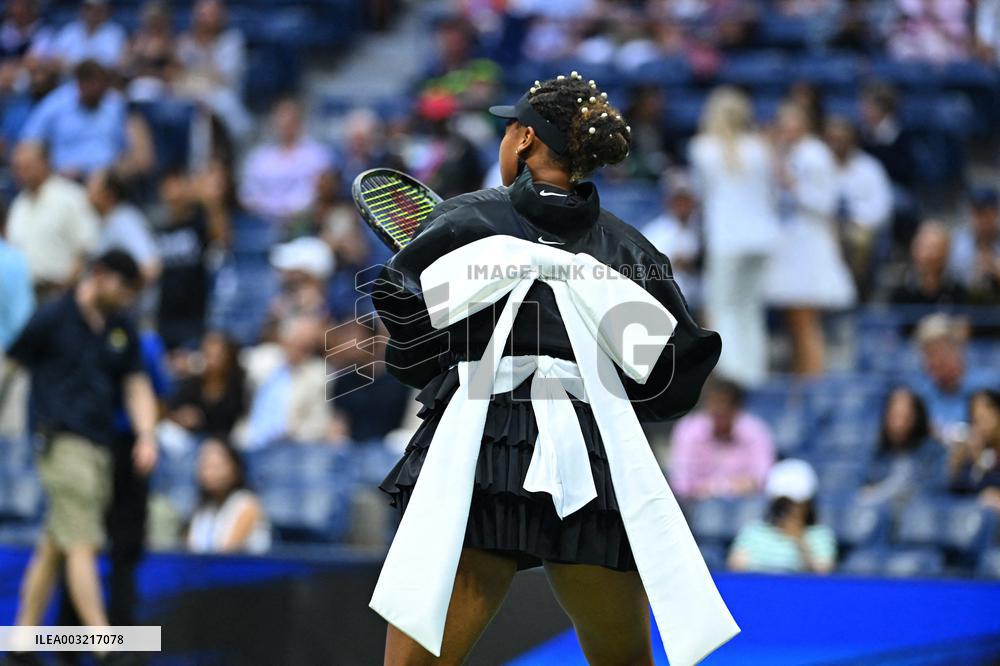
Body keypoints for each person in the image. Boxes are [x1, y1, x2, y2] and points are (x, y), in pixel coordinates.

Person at [373, 75, 736, 665]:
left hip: (484, 448)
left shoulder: (466, 220)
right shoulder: (633, 251)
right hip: (592, 456)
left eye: (507, 128)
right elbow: (676, 374)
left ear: (523, 140)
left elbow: (406, 320)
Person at [4, 251, 158, 645]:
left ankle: (22, 640)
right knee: (84, 540)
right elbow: (10, 365)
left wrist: (146, 434)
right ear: (101, 275)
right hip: (59, 442)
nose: (128, 299)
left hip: (101, 447)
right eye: (125, 289)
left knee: (57, 541)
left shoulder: (120, 326)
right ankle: (103, 643)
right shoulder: (53, 316)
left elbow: (136, 384)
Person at [688, 86, 780, 388]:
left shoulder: (702, 148)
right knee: (750, 309)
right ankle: (754, 375)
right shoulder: (760, 147)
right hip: (763, 238)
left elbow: (700, 196)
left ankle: (731, 379)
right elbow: (772, 194)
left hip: (727, 239)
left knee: (723, 308)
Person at [766, 101, 856, 376]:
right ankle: (801, 378)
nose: (786, 130)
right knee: (795, 321)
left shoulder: (815, 154)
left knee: (806, 320)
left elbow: (825, 202)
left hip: (809, 243)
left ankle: (813, 381)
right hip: (792, 242)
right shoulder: (789, 153)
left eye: (791, 123)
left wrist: (792, 185)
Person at [6, 141, 100, 299]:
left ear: (45, 163)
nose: (20, 173)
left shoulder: (71, 197)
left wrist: (65, 291)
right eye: (17, 167)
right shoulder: (18, 205)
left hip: (61, 292)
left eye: (27, 166)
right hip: (24, 294)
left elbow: (86, 249)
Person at [153, 166, 228, 351]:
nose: (173, 194)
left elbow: (223, 239)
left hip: (195, 316)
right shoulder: (159, 227)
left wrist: (211, 202)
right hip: (165, 316)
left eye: (177, 186)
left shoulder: (199, 223)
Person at [668, 378, 775, 501]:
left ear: (737, 408)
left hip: (744, 502)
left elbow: (763, 477)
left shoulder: (756, 430)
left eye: (724, 405)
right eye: (714, 404)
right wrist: (709, 490)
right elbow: (680, 481)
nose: (718, 410)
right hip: (697, 502)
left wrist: (726, 488)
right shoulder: (689, 429)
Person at [18, 59, 127, 178]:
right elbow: (29, 140)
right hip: (64, 177)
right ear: (79, 84)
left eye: (100, 83)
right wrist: (47, 171)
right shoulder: (56, 103)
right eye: (89, 83)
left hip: (109, 178)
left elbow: (131, 147)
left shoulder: (115, 104)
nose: (95, 88)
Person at [727, 459, 836, 574]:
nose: (789, 510)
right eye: (783, 504)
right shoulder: (753, 532)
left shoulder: (821, 535)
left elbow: (823, 574)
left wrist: (800, 541)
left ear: (808, 504)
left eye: (796, 503)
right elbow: (735, 569)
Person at [825, 115, 892, 296]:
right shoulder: (819, 165)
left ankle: (855, 292)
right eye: (833, 139)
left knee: (858, 239)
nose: (837, 143)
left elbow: (882, 208)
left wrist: (855, 220)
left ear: (852, 140)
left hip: (858, 227)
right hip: (825, 227)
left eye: (842, 139)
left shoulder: (870, 168)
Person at [238, 98, 332, 225]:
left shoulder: (317, 155)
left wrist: (297, 212)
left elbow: (322, 193)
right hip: (263, 221)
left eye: (290, 120)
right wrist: (272, 212)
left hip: (305, 220)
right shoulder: (258, 158)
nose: (285, 125)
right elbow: (247, 195)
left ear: (299, 122)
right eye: (281, 120)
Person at [243, 315, 330, 450]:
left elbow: (318, 423)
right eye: (296, 340)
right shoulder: (262, 358)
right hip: (248, 438)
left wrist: (293, 434)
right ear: (284, 340)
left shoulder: (319, 374)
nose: (300, 346)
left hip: (288, 446)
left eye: (306, 345)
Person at [911, 314, 998, 438]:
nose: (935, 362)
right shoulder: (919, 395)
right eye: (928, 355)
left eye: (940, 352)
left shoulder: (989, 385)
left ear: (957, 350)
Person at [859, 388, 946, 506]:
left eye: (905, 416)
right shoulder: (879, 452)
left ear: (916, 417)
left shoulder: (933, 451)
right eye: (894, 416)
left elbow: (936, 489)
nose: (899, 423)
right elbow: (865, 487)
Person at [186, 438, 270, 553]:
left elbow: (225, 553)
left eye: (216, 466)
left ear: (235, 467)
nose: (210, 472)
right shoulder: (203, 507)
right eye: (204, 465)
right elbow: (191, 550)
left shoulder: (246, 504)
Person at [642, 172, 702, 312]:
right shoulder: (656, 231)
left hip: (697, 302)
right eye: (678, 201)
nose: (683, 206)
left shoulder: (700, 230)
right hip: (666, 304)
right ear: (669, 202)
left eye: (686, 201)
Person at [167, 330, 246, 438]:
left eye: (216, 357)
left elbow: (238, 420)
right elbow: (170, 410)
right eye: (207, 355)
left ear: (228, 358)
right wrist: (182, 417)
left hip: (225, 440)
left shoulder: (237, 386)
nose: (211, 362)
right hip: (193, 437)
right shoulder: (194, 382)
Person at [89, 168, 161, 285]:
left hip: (134, 297)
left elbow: (151, 268)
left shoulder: (126, 221)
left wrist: (125, 290)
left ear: (109, 194)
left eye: (92, 187)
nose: (87, 192)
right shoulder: (103, 220)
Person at [889, 221, 967, 305]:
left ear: (947, 253)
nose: (931, 255)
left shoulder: (957, 293)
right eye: (927, 248)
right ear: (915, 250)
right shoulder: (901, 292)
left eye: (937, 249)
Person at [949, 390, 1000, 512]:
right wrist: (960, 462)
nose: (981, 426)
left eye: (985, 418)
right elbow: (960, 488)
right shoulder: (973, 448)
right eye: (976, 420)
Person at [948, 187, 1000, 304]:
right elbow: (951, 279)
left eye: (986, 213)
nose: (981, 220)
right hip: (964, 303)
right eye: (976, 213)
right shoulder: (957, 243)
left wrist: (994, 269)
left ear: (996, 213)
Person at [43, 0, 126, 70]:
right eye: (89, 8)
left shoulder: (115, 33)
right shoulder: (70, 30)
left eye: (98, 9)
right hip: (69, 80)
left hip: (103, 80)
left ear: (106, 10)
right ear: (82, 9)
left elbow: (120, 64)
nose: (93, 13)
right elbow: (55, 60)